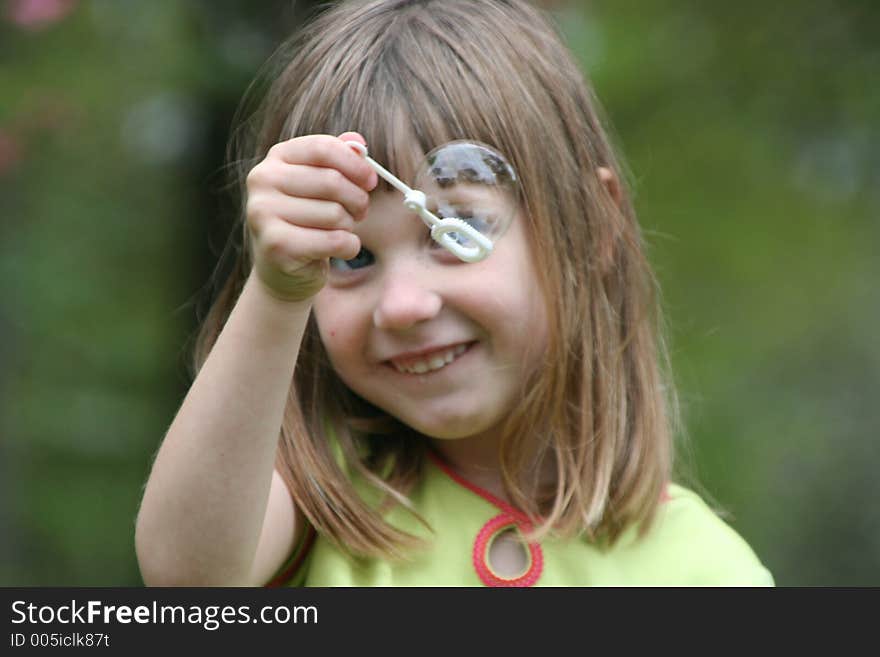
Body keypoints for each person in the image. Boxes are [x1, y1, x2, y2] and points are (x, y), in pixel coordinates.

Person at [135, 0, 773, 586]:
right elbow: (189, 580)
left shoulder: (708, 571)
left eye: (456, 230)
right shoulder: (313, 500)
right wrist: (277, 293)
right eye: (352, 256)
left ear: (593, 227)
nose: (404, 305)